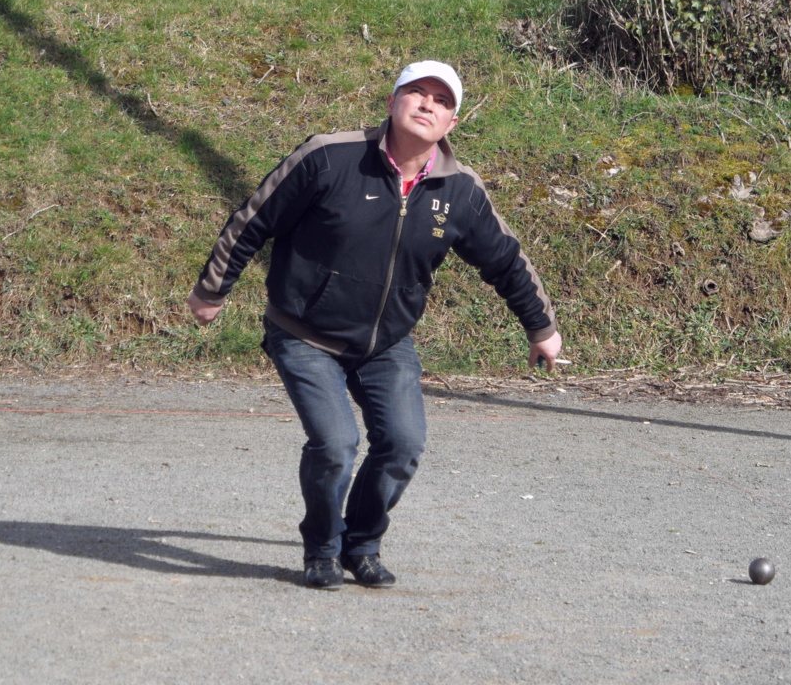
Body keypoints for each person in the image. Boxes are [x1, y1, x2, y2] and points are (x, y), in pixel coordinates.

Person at [188, 61, 562, 590]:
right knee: (336, 444)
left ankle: (360, 545)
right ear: (391, 102)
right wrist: (212, 290)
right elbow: (256, 218)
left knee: (403, 444)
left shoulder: (460, 190)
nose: (428, 104)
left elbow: (504, 260)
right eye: (417, 92)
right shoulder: (328, 157)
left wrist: (540, 327)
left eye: (443, 100)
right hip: (303, 332)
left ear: (452, 123)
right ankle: (321, 546)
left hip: (386, 342)